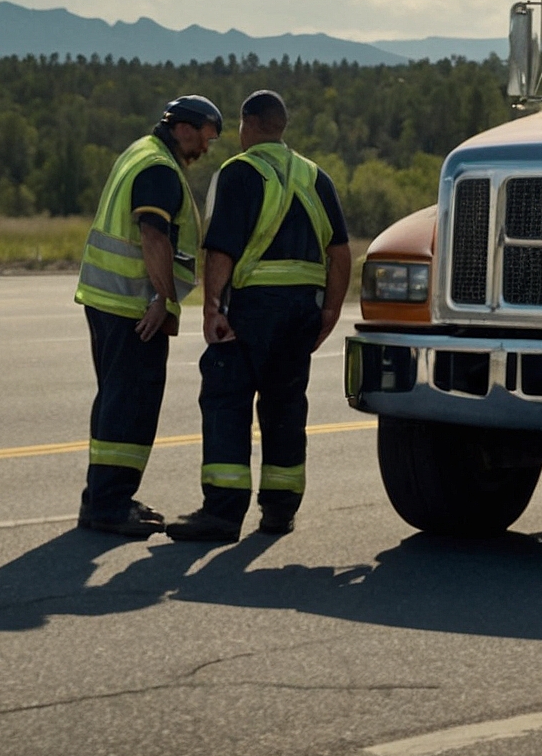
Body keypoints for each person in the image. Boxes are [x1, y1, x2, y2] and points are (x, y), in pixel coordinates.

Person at [164, 90, 352, 544]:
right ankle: (279, 511)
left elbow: (221, 249)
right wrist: (329, 311)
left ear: (248, 124)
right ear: (281, 126)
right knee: (285, 407)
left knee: (226, 403)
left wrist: (212, 308)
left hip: (251, 309)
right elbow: (341, 253)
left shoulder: (239, 172)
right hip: (301, 312)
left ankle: (222, 513)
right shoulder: (315, 177)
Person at [72, 95, 222, 537]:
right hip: (134, 307)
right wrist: (162, 299)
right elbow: (154, 236)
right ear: (183, 128)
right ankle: (110, 506)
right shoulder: (159, 168)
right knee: (131, 406)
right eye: (205, 137)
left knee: (115, 401)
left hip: (109, 301)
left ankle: (102, 497)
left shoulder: (140, 152)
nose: (206, 148)